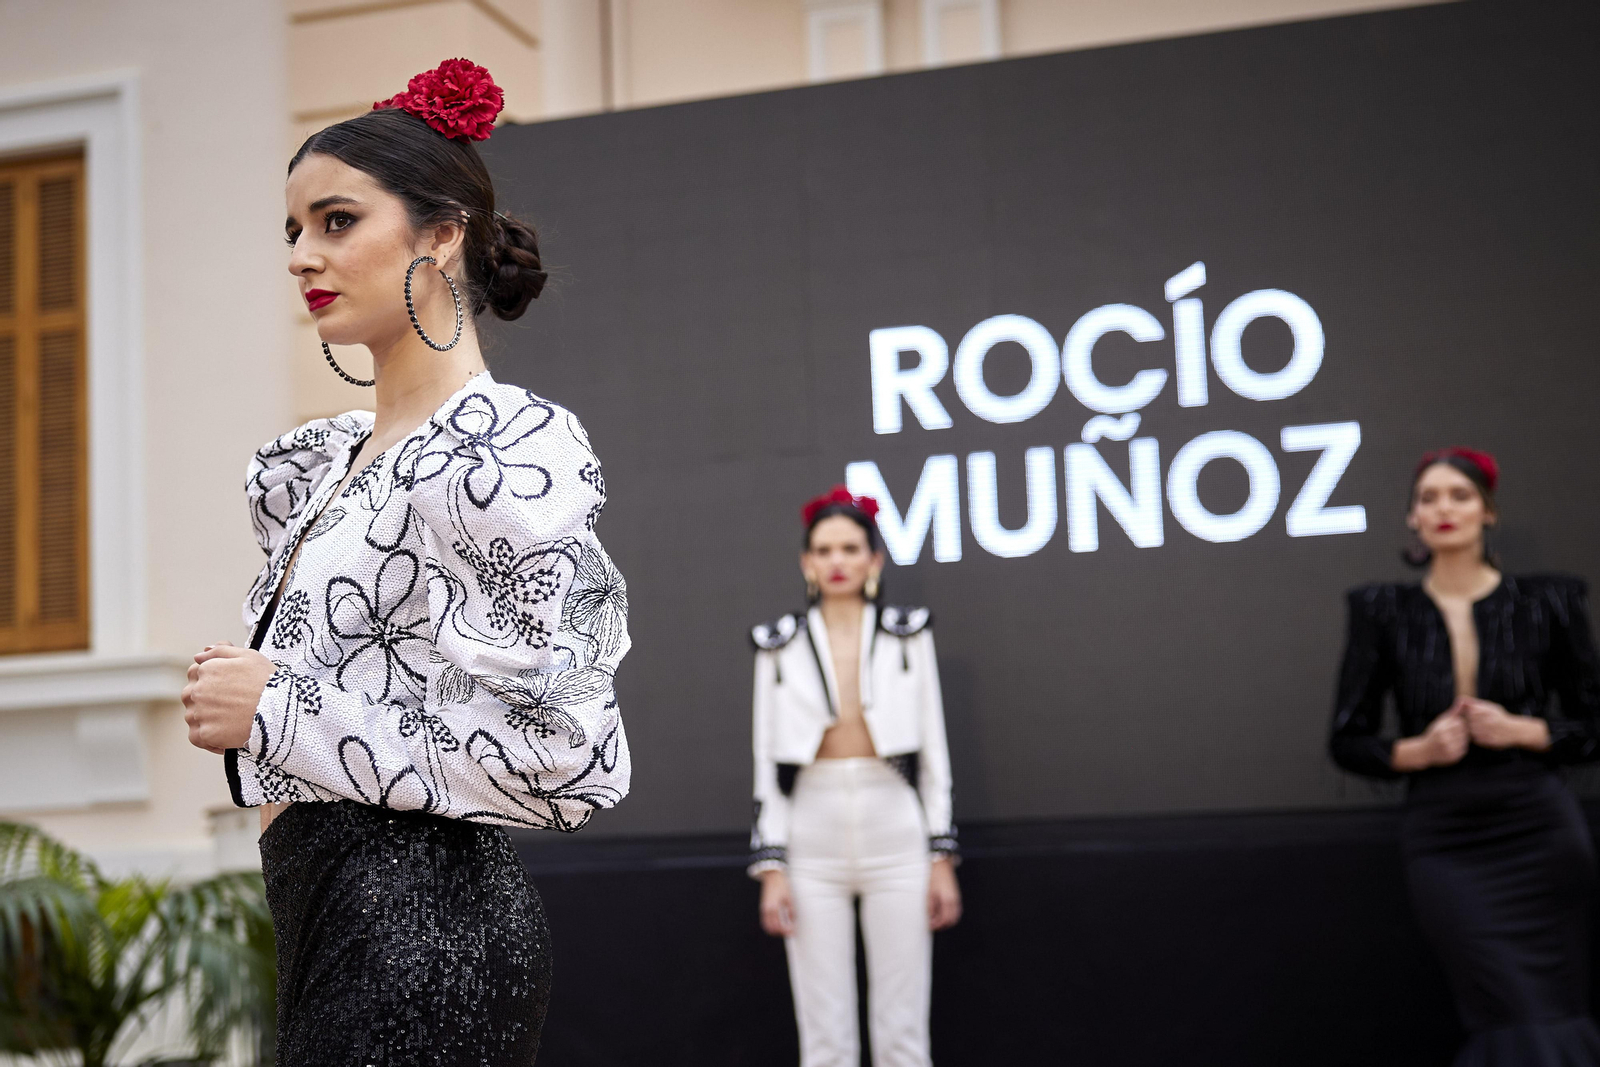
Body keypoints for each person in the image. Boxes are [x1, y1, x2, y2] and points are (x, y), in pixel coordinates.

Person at [179, 60, 631, 1066]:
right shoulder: (320, 464)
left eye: (337, 221)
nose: (303, 254)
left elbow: (569, 755)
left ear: (440, 232)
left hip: (427, 935)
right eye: (293, 230)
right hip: (324, 924)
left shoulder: (497, 452)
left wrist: (280, 708)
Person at [1329, 447, 1600, 1065]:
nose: (1444, 508)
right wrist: (1416, 750)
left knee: (1552, 1008)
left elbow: (1593, 724)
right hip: (1448, 841)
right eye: (1428, 498)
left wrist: (1526, 732)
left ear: (1489, 512)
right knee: (1504, 1007)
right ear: (1412, 520)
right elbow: (1348, 739)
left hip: (1539, 830)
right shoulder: (1381, 610)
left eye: (1460, 495)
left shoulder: (1550, 601)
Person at [749, 484, 962, 1067]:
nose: (837, 560)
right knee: (824, 1035)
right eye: (824, 549)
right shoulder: (779, 644)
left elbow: (934, 751)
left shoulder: (908, 633)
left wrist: (940, 856)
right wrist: (772, 867)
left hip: (895, 831)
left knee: (903, 1029)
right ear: (807, 562)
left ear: (874, 559)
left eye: (849, 547)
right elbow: (767, 760)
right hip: (811, 837)